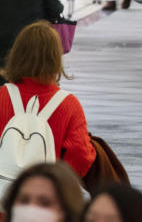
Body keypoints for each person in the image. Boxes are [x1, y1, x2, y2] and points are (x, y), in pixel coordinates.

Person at [0, 22, 96, 180]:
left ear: (17, 55)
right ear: (55, 59)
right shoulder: (68, 105)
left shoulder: (2, 96)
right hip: (48, 192)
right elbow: (80, 157)